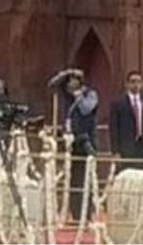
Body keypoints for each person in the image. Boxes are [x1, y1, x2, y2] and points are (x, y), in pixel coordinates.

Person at [48, 67, 98, 221]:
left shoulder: (90, 94)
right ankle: (74, 213)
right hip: (70, 141)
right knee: (72, 179)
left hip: (85, 141)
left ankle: (86, 214)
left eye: (73, 80)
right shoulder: (67, 95)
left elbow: (85, 110)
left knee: (85, 179)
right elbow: (52, 84)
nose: (70, 84)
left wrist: (78, 95)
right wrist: (65, 73)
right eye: (69, 81)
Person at [109, 70, 143, 170]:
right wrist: (115, 152)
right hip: (126, 150)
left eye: (138, 82)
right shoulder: (118, 104)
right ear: (127, 84)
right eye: (133, 81)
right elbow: (114, 129)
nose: (136, 85)